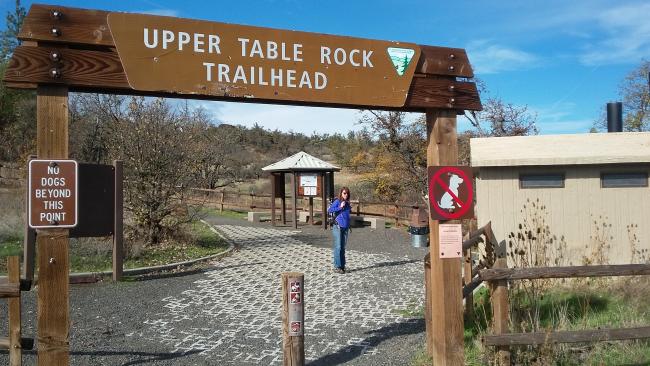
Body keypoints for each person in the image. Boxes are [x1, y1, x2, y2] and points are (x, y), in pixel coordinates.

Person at [328, 187, 351, 274]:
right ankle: (337, 266)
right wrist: (340, 207)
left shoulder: (347, 203)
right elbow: (330, 210)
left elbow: (347, 215)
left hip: (345, 227)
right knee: (338, 247)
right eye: (344, 193)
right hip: (337, 227)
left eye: (347, 193)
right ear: (341, 193)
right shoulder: (337, 201)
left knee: (343, 247)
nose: (346, 194)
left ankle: (342, 266)